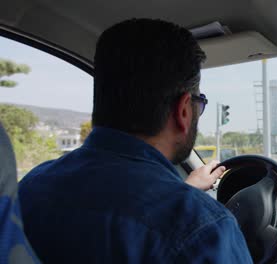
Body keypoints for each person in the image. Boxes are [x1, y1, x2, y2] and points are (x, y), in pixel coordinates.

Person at [18, 18, 252, 263]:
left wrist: (186, 191)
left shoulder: (32, 186)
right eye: (199, 103)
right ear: (184, 111)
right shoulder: (202, 229)